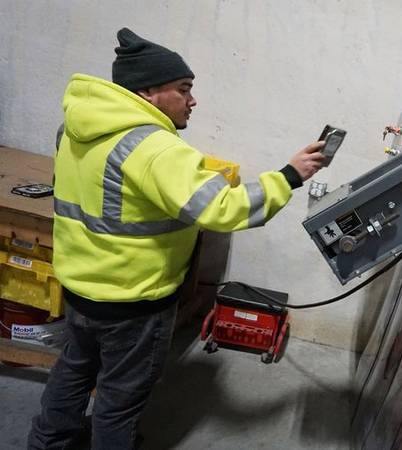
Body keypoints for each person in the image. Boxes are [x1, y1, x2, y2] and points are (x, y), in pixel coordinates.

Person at [28, 27, 326, 449]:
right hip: (134, 302)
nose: (193, 100)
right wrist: (290, 175)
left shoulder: (74, 129)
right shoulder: (155, 148)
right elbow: (226, 208)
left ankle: (46, 443)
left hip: (80, 288)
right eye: (184, 89)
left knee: (73, 371)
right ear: (148, 93)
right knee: (119, 400)